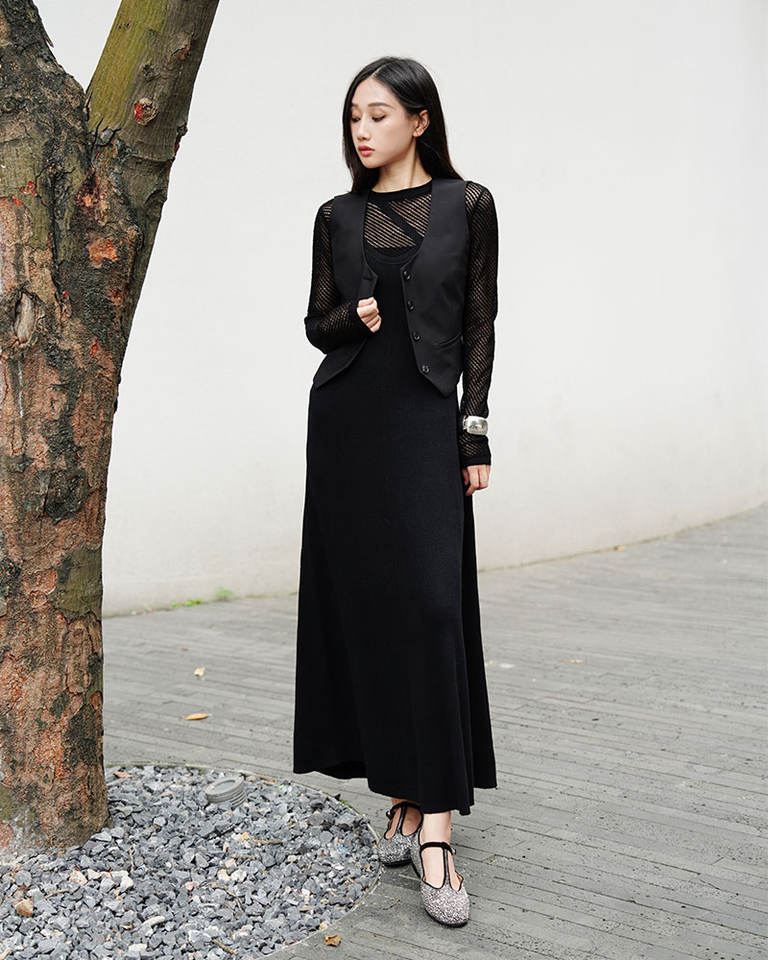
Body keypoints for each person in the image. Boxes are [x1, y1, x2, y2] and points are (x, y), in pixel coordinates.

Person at [293, 55, 498, 927]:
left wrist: (472, 429)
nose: (362, 130)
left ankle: (437, 831)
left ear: (420, 120)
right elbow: (316, 325)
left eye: (378, 114)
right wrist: (355, 318)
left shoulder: (468, 205)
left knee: (433, 608)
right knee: (376, 611)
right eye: (353, 117)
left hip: (423, 427)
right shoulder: (335, 216)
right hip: (347, 431)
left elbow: (481, 322)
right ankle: (405, 795)